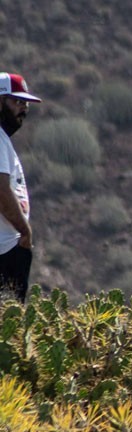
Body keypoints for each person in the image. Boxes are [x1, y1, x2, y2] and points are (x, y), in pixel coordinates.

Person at [0, 73, 41, 303]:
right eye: (17, 102)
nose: (24, 108)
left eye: (25, 103)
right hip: (5, 250)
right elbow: (1, 190)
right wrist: (24, 231)